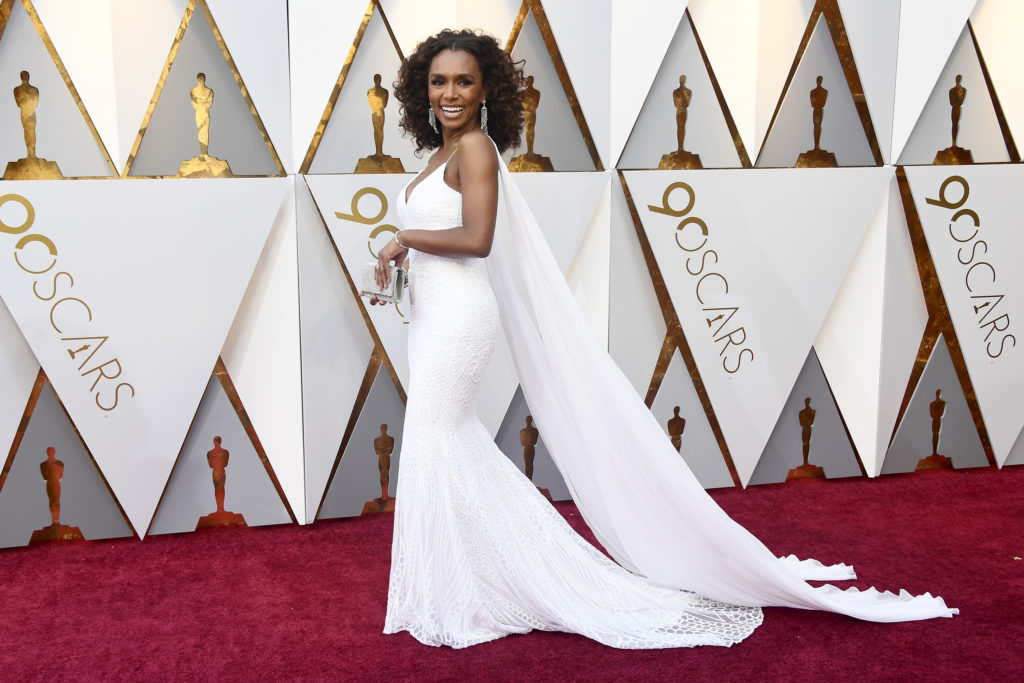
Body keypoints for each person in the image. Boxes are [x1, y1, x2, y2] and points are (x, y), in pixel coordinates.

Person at [363, 29, 956, 650]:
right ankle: (460, 583)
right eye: (438, 81)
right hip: (431, 318)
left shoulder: (477, 149)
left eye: (463, 81)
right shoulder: (439, 155)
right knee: (444, 443)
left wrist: (404, 239)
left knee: (441, 439)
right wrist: (404, 263)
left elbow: (476, 240)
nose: (450, 93)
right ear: (421, 92)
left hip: (459, 320)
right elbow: (441, 236)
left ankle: (504, 582)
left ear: (486, 89)